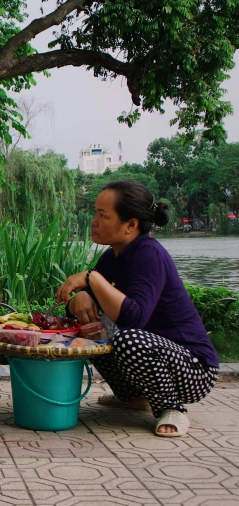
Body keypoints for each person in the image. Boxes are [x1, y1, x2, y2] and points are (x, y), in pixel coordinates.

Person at [56, 180, 219, 437]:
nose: (94, 221)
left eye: (102, 215)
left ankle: (171, 408)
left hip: (194, 368)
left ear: (131, 225)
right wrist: (80, 299)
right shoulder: (112, 257)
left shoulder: (149, 254)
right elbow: (94, 305)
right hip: (156, 360)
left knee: (128, 340)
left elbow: (134, 317)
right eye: (95, 214)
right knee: (90, 332)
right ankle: (132, 396)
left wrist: (91, 279)